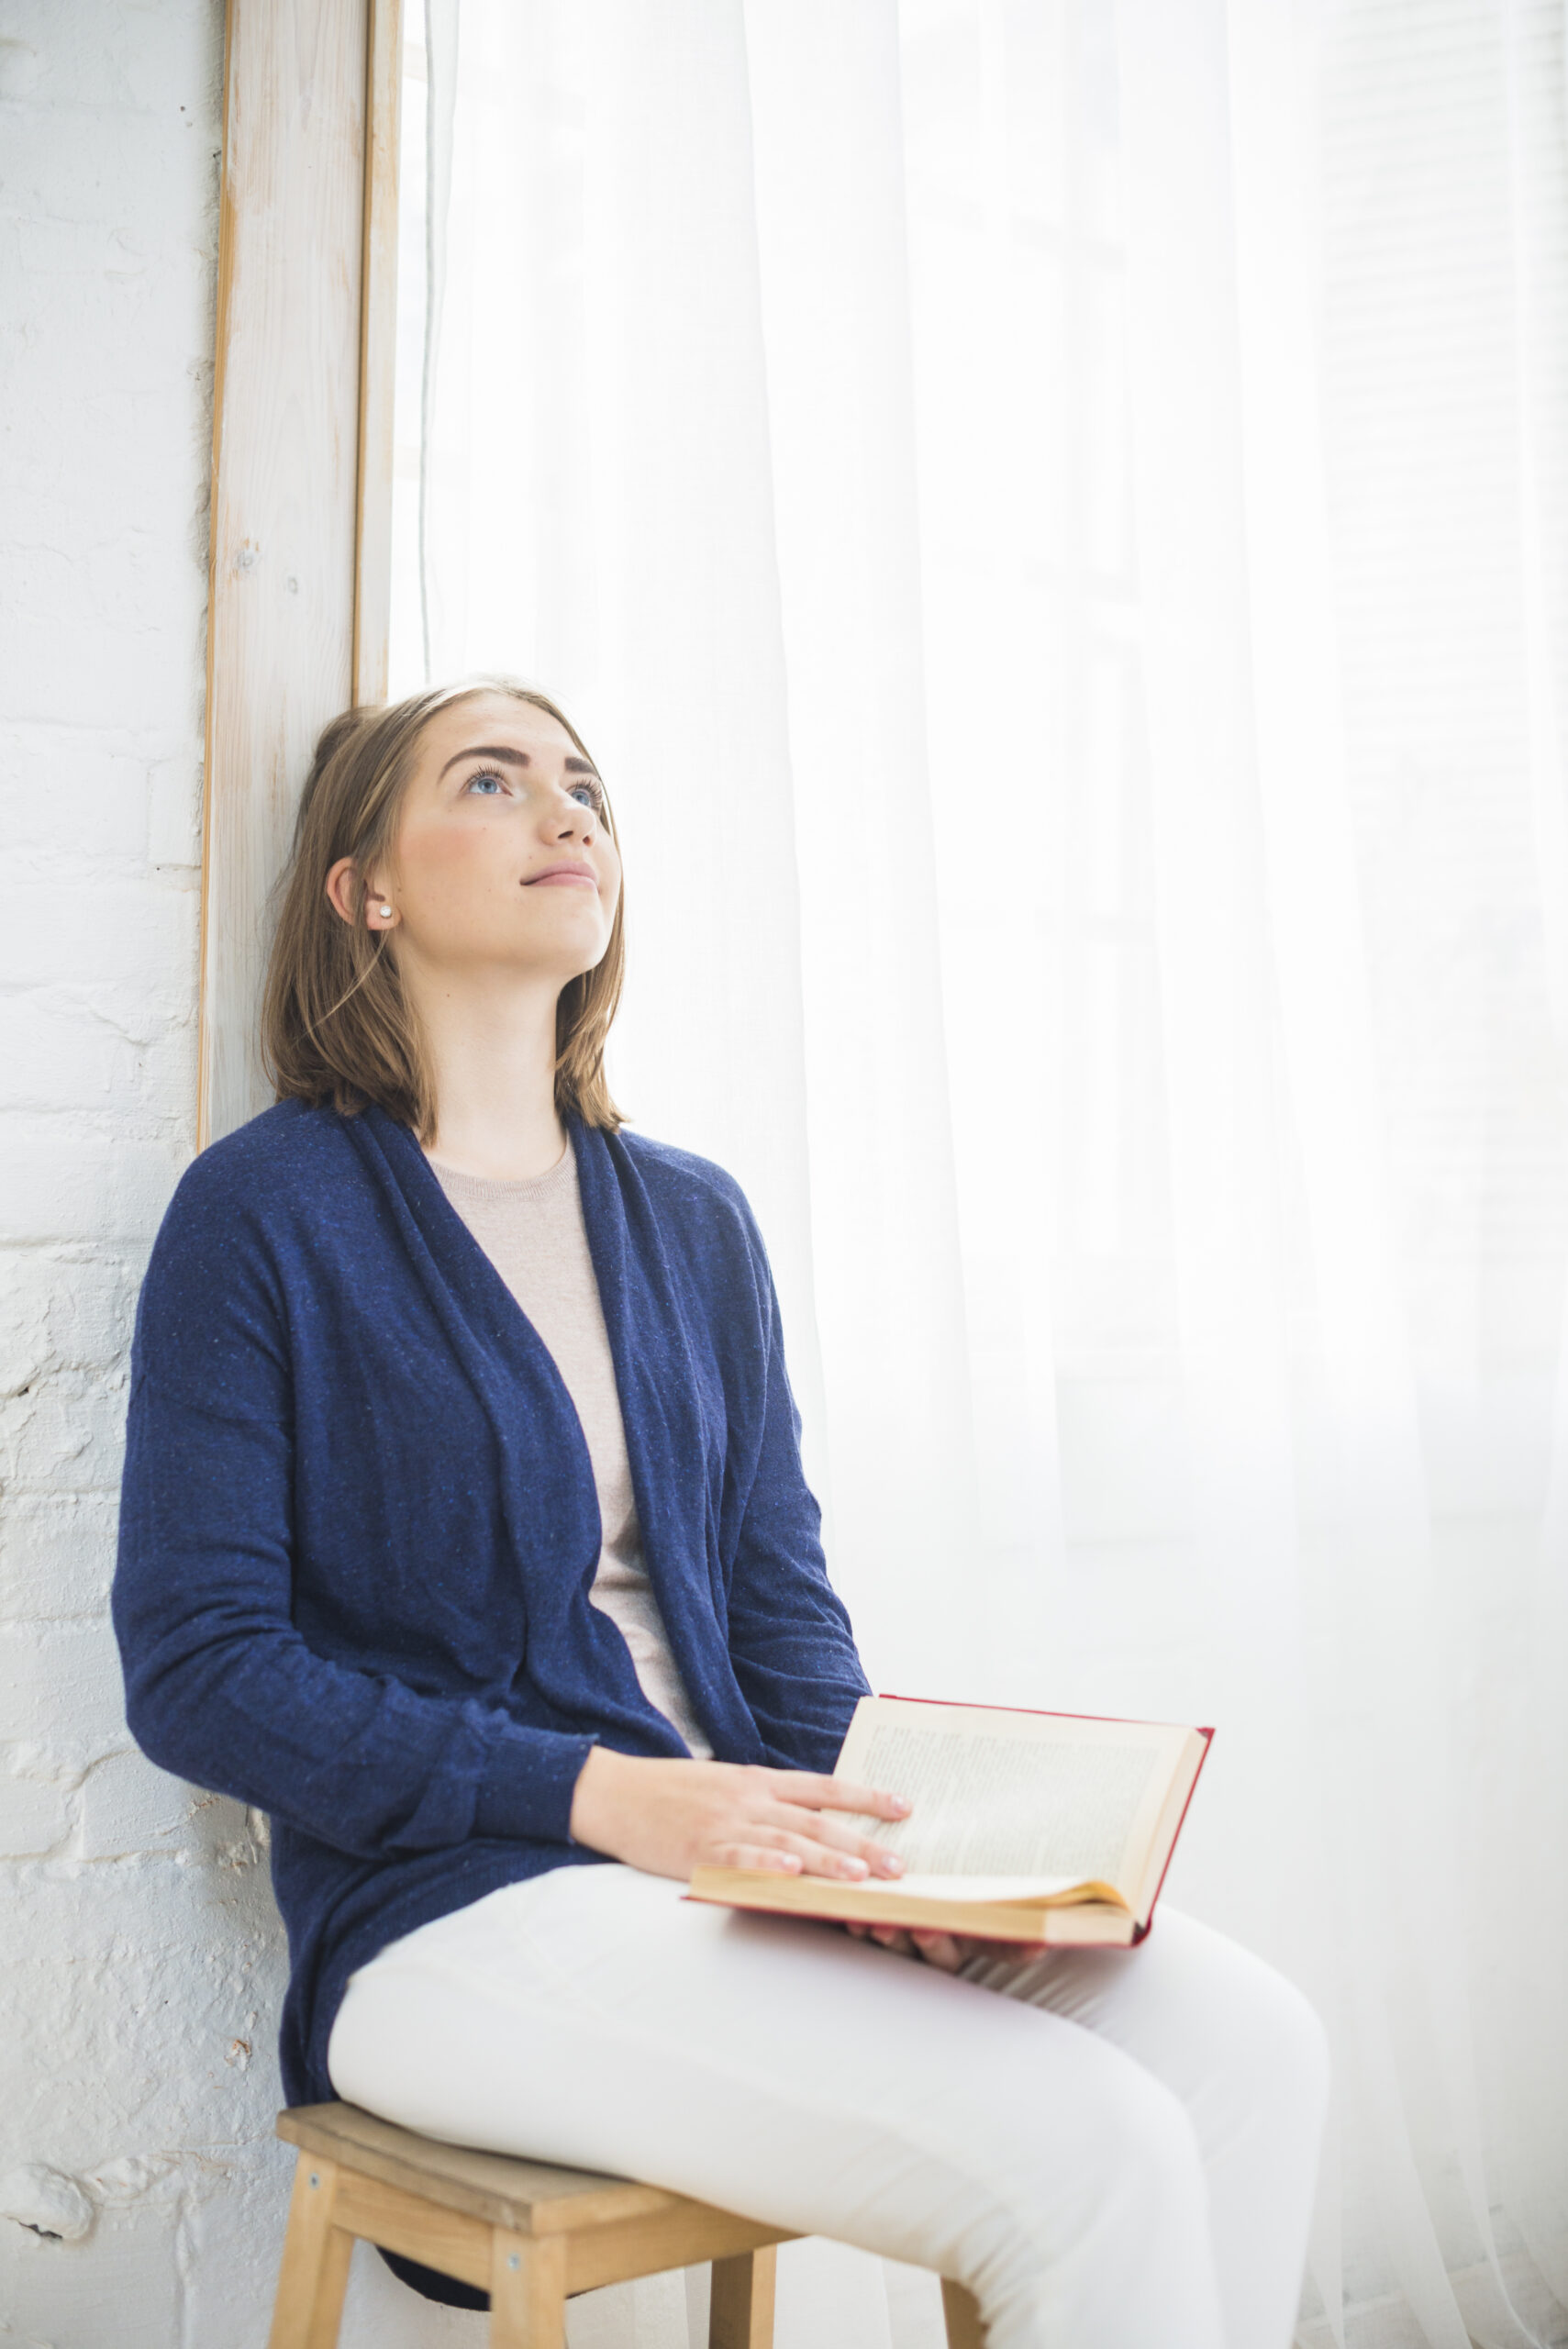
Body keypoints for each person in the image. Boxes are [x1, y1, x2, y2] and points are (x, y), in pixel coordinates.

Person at [112, 677, 1329, 2348]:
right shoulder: (263, 1212)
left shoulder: (689, 1219)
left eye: (586, 788)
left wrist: (900, 1850)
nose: (567, 814)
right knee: (1088, 2145)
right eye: (492, 780)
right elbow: (201, 1672)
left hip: (739, 1875)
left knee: (1251, 2049)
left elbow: (775, 1603)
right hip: (456, 1916)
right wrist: (612, 1798)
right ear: (363, 890)